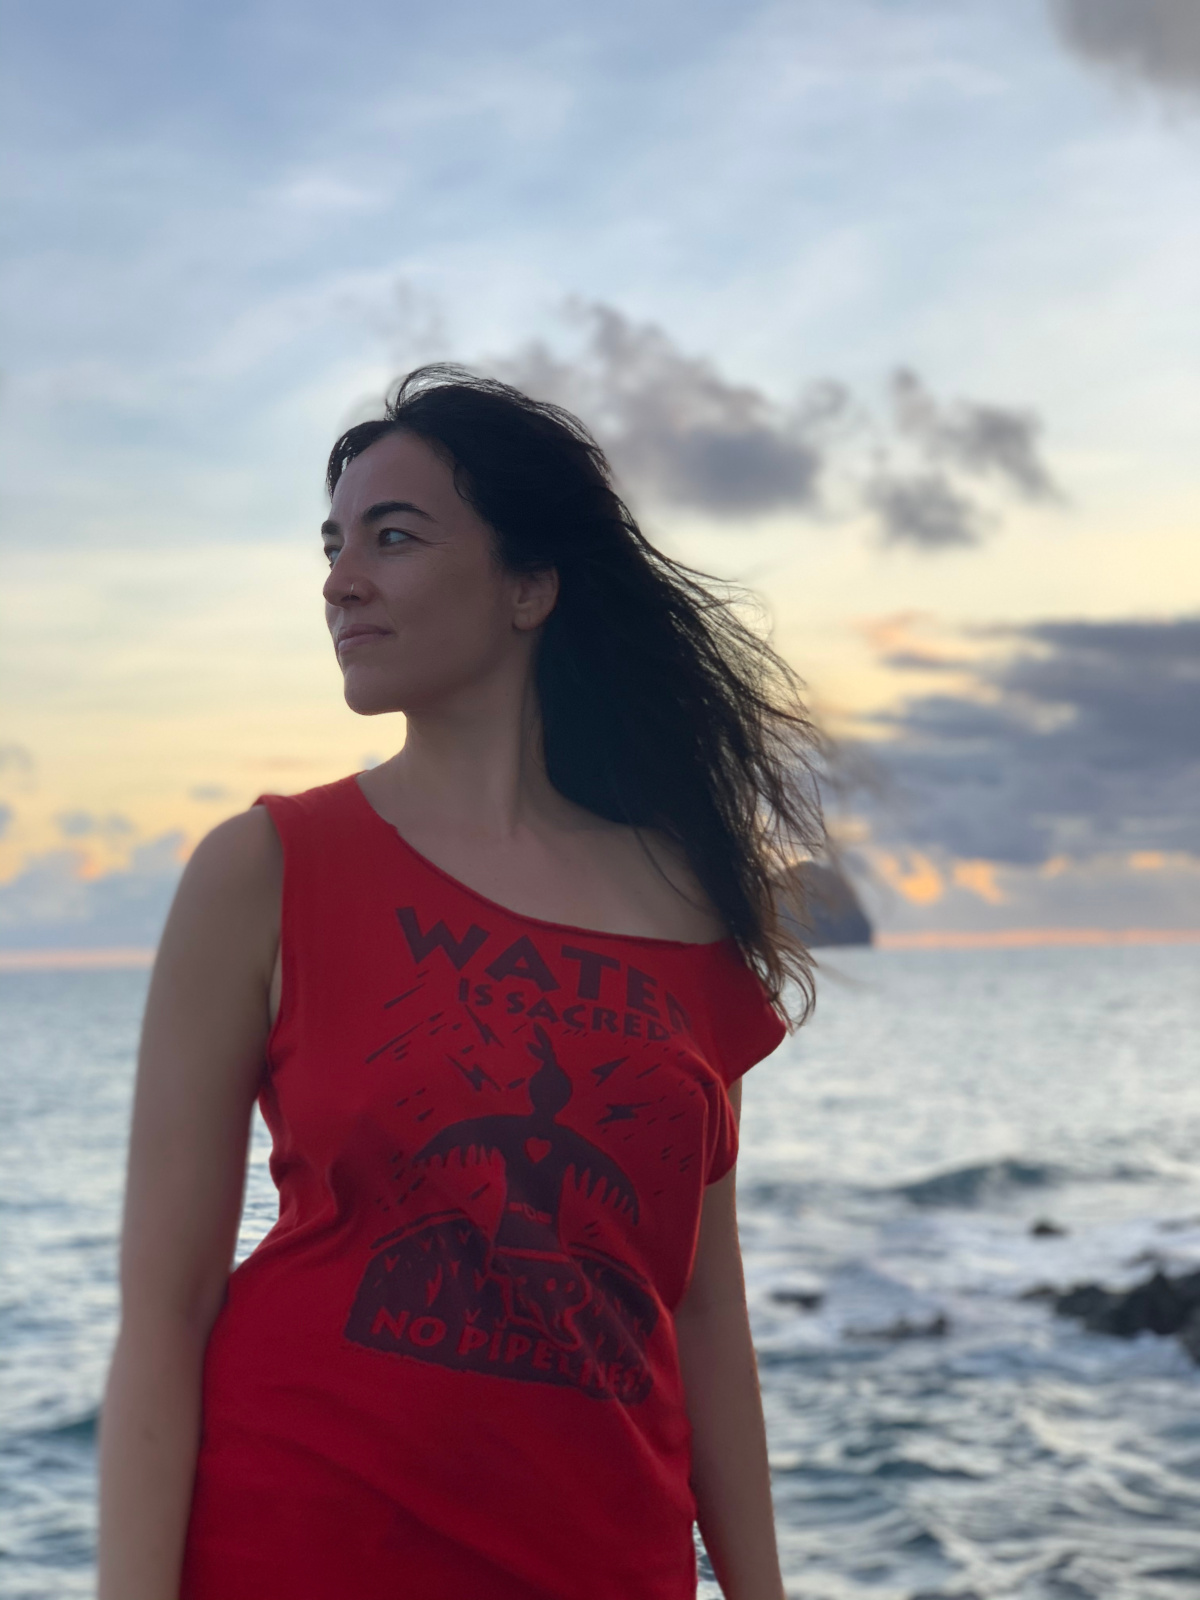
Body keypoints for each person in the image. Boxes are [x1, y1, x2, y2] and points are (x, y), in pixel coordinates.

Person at [97, 366, 824, 1600]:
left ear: (530, 585)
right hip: (297, 1548)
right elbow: (163, 1317)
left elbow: (702, 1315)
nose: (340, 578)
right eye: (332, 545)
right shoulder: (268, 868)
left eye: (393, 535)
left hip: (609, 1563)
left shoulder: (686, 904)